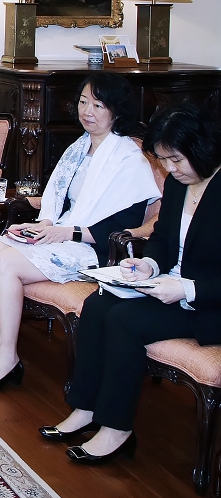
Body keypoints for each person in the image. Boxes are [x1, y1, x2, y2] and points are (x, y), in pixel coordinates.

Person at [0, 73, 159, 392]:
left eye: (98, 105)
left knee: (5, 262)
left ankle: (8, 358)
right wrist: (41, 225)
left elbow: (118, 227)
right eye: (84, 102)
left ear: (117, 110)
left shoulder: (129, 159)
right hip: (63, 234)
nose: (87, 111)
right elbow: (60, 202)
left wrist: (64, 233)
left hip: (94, 249)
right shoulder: (80, 147)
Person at [42, 104, 221, 464]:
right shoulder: (178, 184)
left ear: (203, 148)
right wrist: (149, 264)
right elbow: (164, 239)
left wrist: (187, 289)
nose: (169, 169)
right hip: (170, 287)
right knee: (97, 304)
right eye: (163, 160)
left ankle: (117, 429)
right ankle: (85, 408)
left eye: (175, 159)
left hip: (208, 304)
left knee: (125, 320)